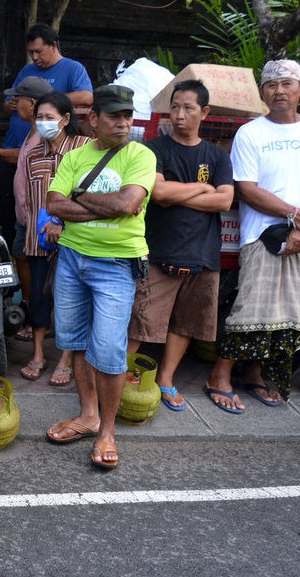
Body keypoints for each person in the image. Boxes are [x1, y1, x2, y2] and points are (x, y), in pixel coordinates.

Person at [44, 84, 155, 470]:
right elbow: (53, 203)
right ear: (94, 119)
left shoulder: (140, 155)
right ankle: (88, 415)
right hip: (72, 260)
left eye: (128, 116)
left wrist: (80, 199)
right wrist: (106, 207)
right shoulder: (75, 156)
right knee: (75, 341)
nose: (123, 123)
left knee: (108, 351)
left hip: (116, 265)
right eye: (114, 116)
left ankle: (108, 430)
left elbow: (128, 203)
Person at [126, 80, 233, 411]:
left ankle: (166, 378)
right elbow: (159, 193)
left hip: (202, 252)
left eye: (188, 108)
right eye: (175, 107)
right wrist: (203, 189)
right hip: (159, 249)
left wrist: (179, 193)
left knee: (187, 322)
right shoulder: (154, 149)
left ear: (205, 112)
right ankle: (118, 376)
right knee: (141, 320)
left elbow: (225, 200)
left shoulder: (216, 155)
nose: (180, 114)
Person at [205, 60, 300, 408]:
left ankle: (254, 373)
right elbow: (246, 188)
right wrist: (294, 215)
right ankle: (219, 375)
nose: (279, 91)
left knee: (287, 312)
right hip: (263, 234)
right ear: (262, 93)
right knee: (251, 308)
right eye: (271, 85)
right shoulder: (251, 132)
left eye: (287, 84)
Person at [0, 23, 93, 249]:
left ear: (53, 46)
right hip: (15, 146)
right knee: (8, 210)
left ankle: (34, 251)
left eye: (39, 51)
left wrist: (48, 101)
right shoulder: (27, 70)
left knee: (37, 210)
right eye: (31, 52)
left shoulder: (72, 68)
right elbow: (6, 106)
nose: (35, 57)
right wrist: (11, 104)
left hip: (46, 152)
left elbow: (87, 97)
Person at [19, 91, 88, 385]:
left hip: (75, 238)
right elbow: (31, 199)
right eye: (40, 117)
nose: (43, 122)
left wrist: (61, 222)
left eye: (49, 117)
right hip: (39, 240)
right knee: (38, 296)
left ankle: (66, 359)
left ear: (66, 119)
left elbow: (89, 193)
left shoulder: (83, 148)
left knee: (71, 299)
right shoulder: (33, 154)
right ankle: (38, 354)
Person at [0, 76, 53, 344]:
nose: (14, 103)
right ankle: (31, 311)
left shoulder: (46, 136)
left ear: (31, 103)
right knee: (21, 258)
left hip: (39, 218)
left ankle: (40, 323)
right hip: (25, 217)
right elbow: (21, 156)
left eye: (18, 99)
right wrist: (0, 152)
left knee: (38, 271)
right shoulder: (31, 131)